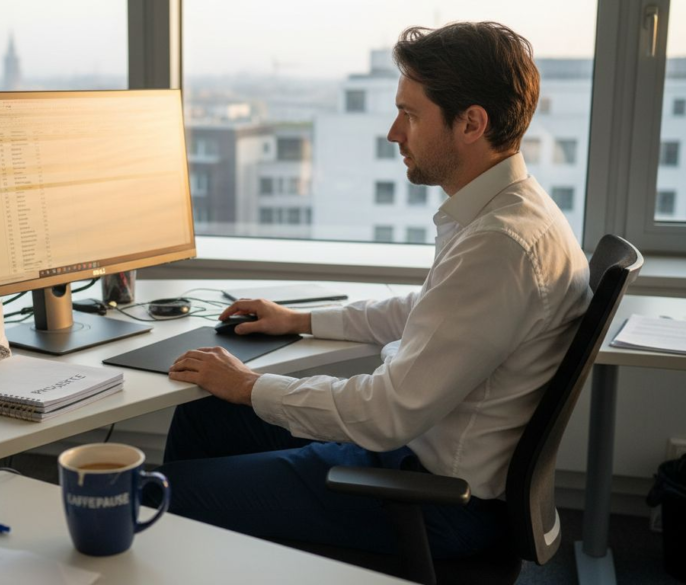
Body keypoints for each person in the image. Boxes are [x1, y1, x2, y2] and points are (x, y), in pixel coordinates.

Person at [157, 21, 591, 558]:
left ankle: (191, 545)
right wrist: (300, 320)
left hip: (433, 499)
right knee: (201, 420)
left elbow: (385, 415)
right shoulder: (514, 211)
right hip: (417, 458)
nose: (394, 131)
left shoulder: (501, 245)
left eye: (410, 114)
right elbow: (430, 312)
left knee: (158, 496)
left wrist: (249, 385)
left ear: (472, 124)